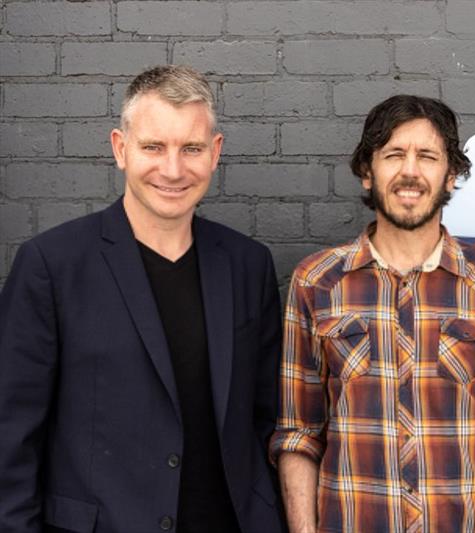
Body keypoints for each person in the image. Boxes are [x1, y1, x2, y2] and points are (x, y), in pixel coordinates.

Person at [0, 65, 284, 533]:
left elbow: (264, 418)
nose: (173, 169)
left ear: (214, 153)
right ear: (120, 148)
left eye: (190, 148)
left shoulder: (246, 265)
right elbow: (12, 434)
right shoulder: (51, 265)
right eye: (154, 147)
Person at [269, 95, 475, 533]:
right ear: (368, 172)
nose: (410, 171)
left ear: (452, 174)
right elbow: (298, 434)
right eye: (394, 155)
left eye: (428, 156)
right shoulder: (318, 282)